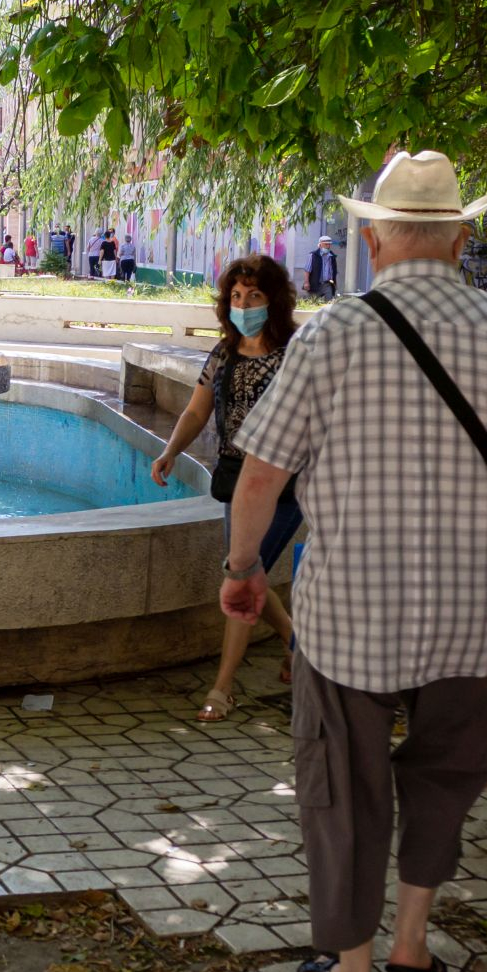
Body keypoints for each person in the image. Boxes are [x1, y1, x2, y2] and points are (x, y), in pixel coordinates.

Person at [221, 150, 487, 972]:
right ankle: (412, 939)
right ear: (459, 239)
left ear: (376, 241)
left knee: (344, 787)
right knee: (447, 772)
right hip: (473, 609)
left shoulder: (332, 334)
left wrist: (242, 570)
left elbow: (261, 474)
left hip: (350, 613)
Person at [150, 254, 301, 720]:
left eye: (254, 296)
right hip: (236, 479)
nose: (244, 305)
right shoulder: (223, 353)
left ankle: (223, 686)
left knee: (241, 574)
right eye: (236, 296)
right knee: (250, 570)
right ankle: (296, 644)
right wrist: (171, 450)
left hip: (285, 482)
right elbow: (196, 411)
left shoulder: (295, 355)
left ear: (274, 300)